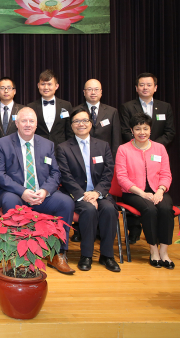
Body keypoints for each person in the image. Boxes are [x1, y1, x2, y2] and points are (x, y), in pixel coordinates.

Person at [0, 107, 75, 275]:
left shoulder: (47, 144)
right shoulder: (3, 143)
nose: (28, 125)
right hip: (15, 193)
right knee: (10, 201)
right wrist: (22, 191)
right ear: (16, 123)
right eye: (24, 121)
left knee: (66, 202)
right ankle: (13, 254)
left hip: (41, 194)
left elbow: (55, 173)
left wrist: (44, 191)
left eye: (31, 121)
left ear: (37, 125)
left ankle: (57, 254)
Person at [56, 109, 121, 272]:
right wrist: (82, 195)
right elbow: (65, 175)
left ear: (91, 124)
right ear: (71, 126)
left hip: (99, 193)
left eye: (85, 120)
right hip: (76, 195)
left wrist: (97, 192)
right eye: (77, 121)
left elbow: (108, 172)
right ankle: (86, 255)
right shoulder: (63, 148)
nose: (81, 124)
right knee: (89, 210)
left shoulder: (103, 146)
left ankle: (107, 255)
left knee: (109, 209)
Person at [119, 73, 175, 243]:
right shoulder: (127, 107)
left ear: (155, 88)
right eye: (141, 85)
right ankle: (134, 232)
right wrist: (143, 144)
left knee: (164, 206)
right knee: (144, 204)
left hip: (156, 156)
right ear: (136, 88)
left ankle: (160, 240)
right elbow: (124, 130)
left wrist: (152, 147)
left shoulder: (165, 107)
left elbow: (170, 132)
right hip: (134, 155)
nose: (145, 88)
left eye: (149, 85)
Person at [116, 112, 174, 269]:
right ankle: (153, 250)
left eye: (145, 128)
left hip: (158, 190)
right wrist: (142, 193)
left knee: (166, 208)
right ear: (131, 130)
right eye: (138, 129)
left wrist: (160, 191)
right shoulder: (123, 149)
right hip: (133, 192)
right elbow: (122, 178)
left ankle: (164, 252)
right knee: (149, 209)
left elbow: (166, 174)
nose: (142, 132)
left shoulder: (160, 148)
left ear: (150, 130)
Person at [73, 79, 121, 158]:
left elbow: (116, 139)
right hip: (82, 154)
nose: (93, 92)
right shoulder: (75, 111)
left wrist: (114, 159)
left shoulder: (112, 112)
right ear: (84, 92)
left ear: (101, 92)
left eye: (96, 89)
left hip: (106, 155)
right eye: (89, 89)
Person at [27, 69, 73, 148]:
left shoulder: (66, 105)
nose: (46, 87)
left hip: (61, 149)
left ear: (56, 86)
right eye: (43, 84)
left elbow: (70, 131)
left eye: (49, 84)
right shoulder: (31, 107)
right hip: (38, 148)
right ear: (38, 85)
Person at [0, 77, 24, 141]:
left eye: (9, 88)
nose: (6, 91)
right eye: (2, 88)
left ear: (14, 91)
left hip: (17, 148)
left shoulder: (23, 110)